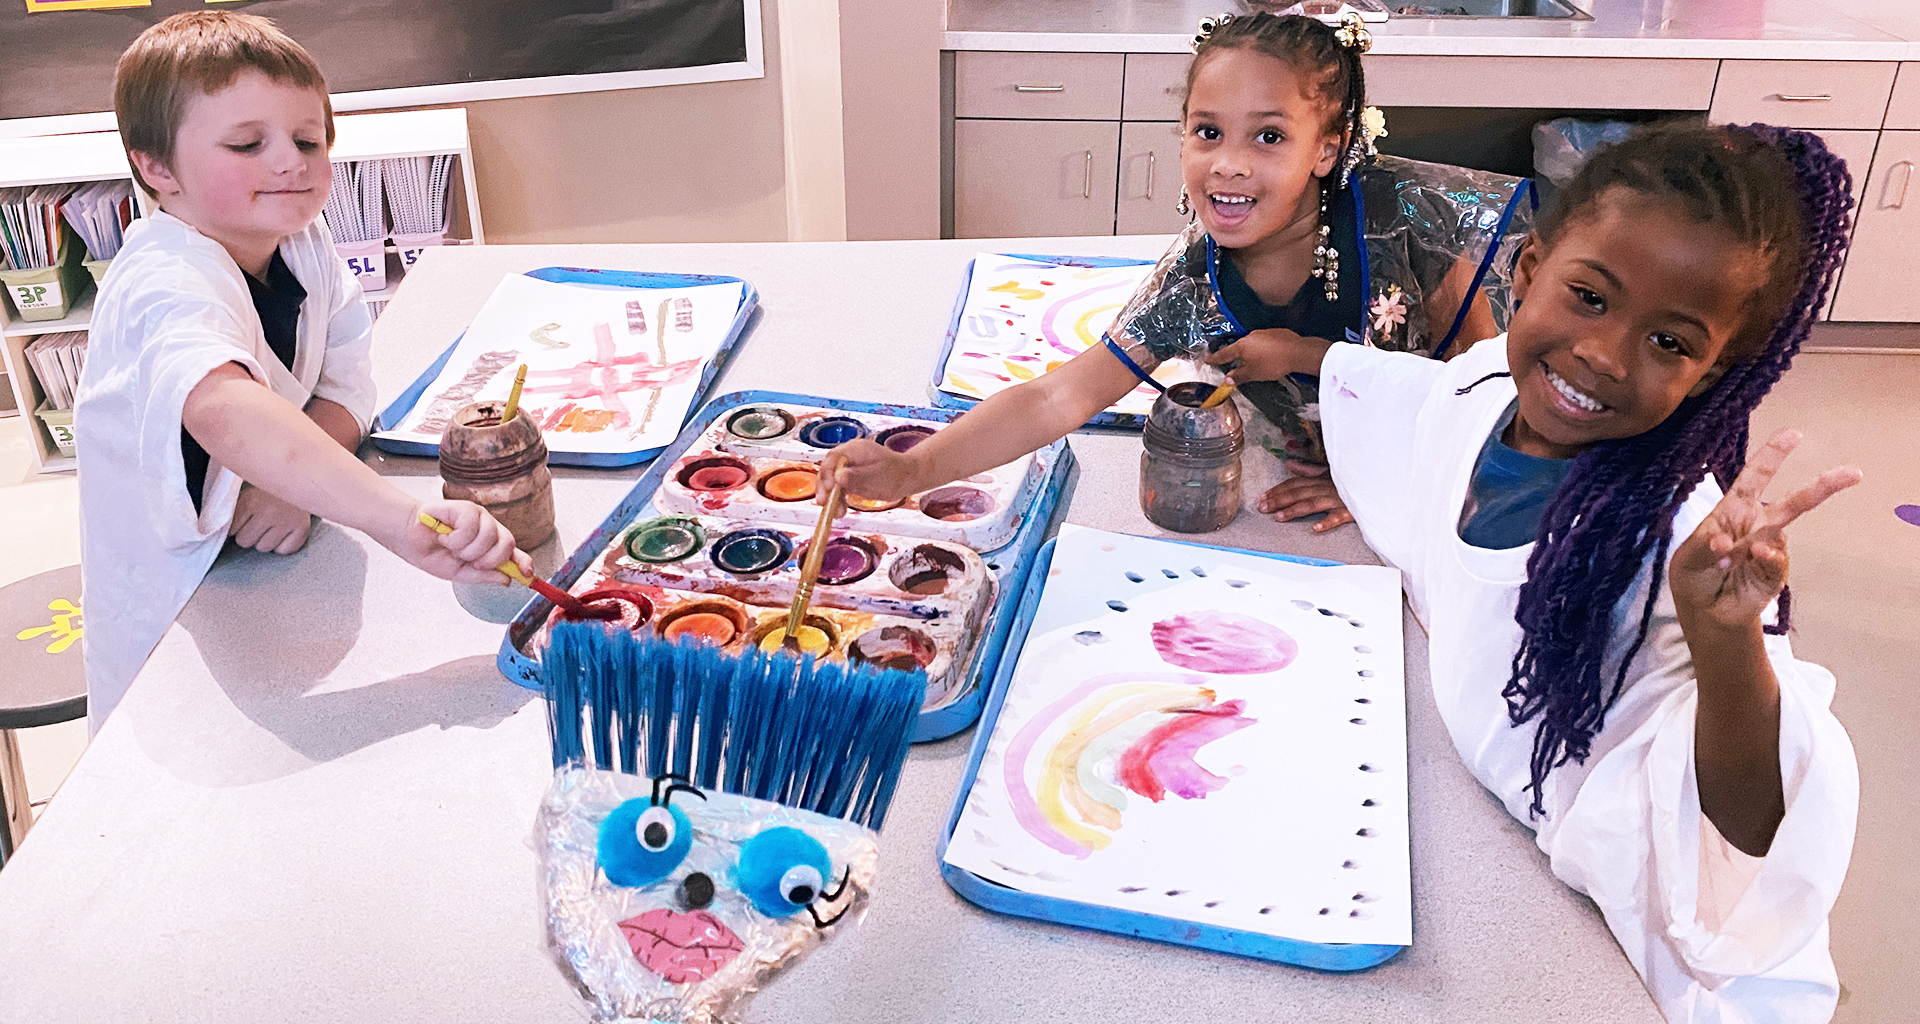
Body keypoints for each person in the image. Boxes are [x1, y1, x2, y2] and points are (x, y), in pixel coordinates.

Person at [1263, 121, 1861, 1021]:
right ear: (1529, 269)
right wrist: (1322, 389)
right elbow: (1424, 410)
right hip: (1471, 847)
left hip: (1640, 942)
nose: (1603, 354)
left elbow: (1751, 831)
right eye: (1589, 296)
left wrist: (1726, 632)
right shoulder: (1482, 388)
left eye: (1670, 344)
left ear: (1707, 378)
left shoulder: (1670, 543)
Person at [825, 12, 1532, 529]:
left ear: (1327, 149)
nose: (1228, 161)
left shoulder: (1413, 225)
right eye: (1207, 131)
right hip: (1300, 483)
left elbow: (1486, 396)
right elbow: (1057, 399)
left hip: (1438, 488)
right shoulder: (1193, 283)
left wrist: (1381, 482)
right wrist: (917, 468)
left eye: (1269, 136)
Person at [75, 11, 529, 732]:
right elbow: (223, 409)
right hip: (179, 609)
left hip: (271, 583)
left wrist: (292, 490)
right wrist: (397, 520)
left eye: (308, 140)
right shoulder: (164, 281)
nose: (290, 162)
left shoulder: (303, 242)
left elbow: (348, 383)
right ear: (157, 168)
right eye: (248, 144)